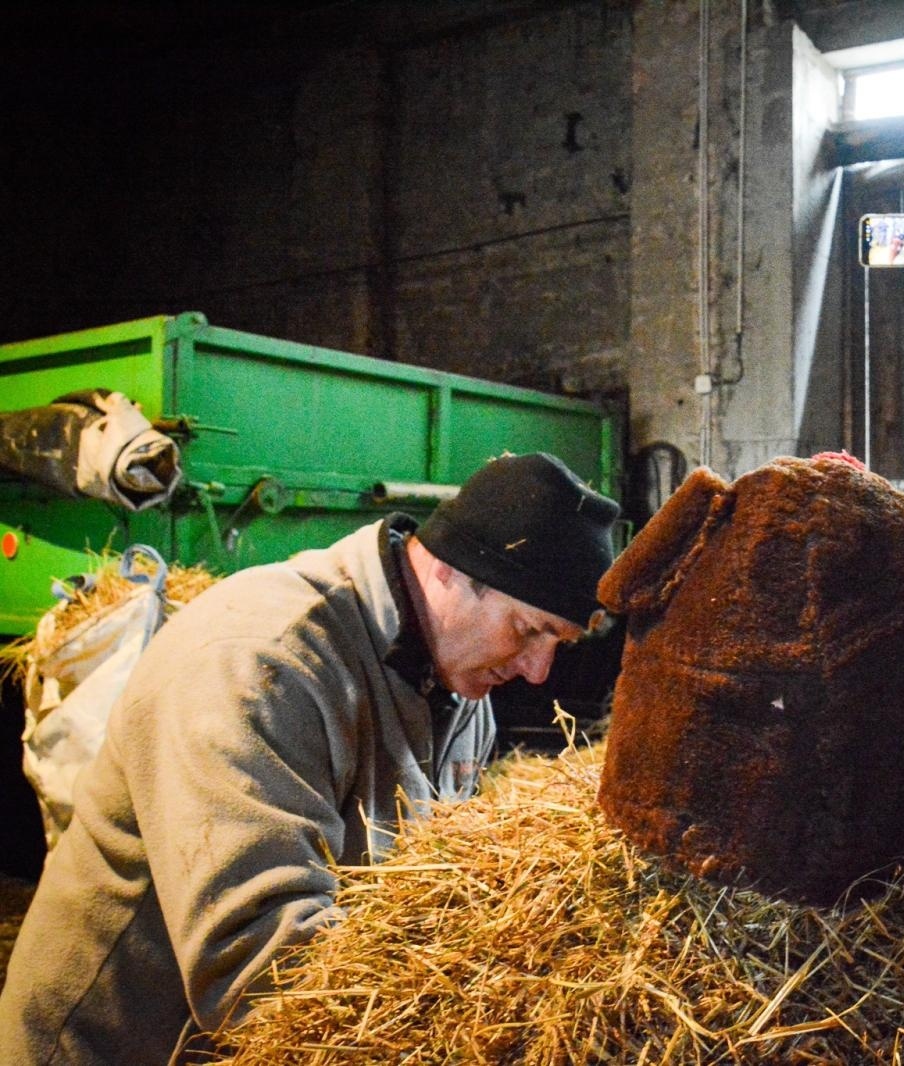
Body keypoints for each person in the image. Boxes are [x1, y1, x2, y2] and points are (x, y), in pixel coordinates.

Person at [0, 452, 619, 1064]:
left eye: (558, 644)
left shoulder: (461, 689)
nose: (538, 671)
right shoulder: (259, 663)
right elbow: (259, 964)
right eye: (529, 630)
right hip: (123, 1047)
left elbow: (422, 894)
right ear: (450, 571)